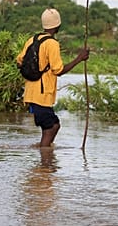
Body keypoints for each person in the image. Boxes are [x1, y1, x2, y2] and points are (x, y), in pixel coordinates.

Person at [16, 8, 90, 147]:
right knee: (52, 126)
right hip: (42, 95)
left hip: (31, 93)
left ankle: (45, 153)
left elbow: (19, 61)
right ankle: (45, 156)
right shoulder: (52, 44)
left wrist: (34, 70)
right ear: (58, 25)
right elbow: (58, 70)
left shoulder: (32, 39)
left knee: (51, 126)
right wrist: (79, 58)